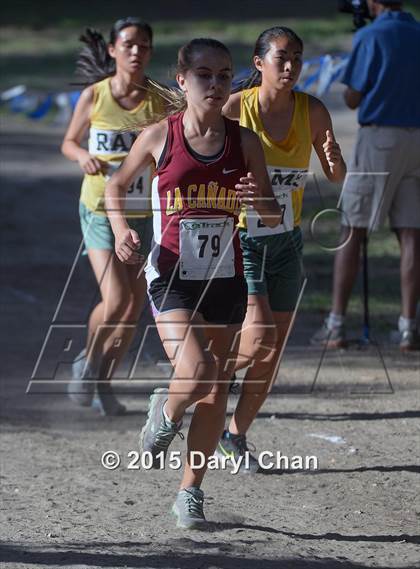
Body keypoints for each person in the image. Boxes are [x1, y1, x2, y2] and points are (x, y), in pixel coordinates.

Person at [105, 38, 282, 528]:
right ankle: (165, 411)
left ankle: (190, 492)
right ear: (183, 81)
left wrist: (255, 198)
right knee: (199, 369)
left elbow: (269, 211)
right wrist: (122, 230)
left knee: (215, 389)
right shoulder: (162, 136)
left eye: (224, 75)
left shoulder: (244, 141)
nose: (216, 83)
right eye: (205, 74)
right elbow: (117, 186)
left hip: (224, 277)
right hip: (171, 273)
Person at [218, 26, 346, 471]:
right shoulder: (236, 108)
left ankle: (234, 435)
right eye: (280, 58)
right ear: (259, 64)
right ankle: (198, 381)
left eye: (297, 57)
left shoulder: (312, 111)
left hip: (287, 242)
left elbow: (336, 176)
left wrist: (333, 159)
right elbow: (204, 163)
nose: (290, 66)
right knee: (259, 340)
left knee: (271, 353)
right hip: (242, 239)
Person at [61, 17, 165, 415]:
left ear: (150, 52)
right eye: (128, 45)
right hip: (100, 209)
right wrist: (83, 154)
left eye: (143, 46)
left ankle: (101, 382)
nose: (136, 52)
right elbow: (68, 142)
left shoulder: (159, 101)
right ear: (112, 50)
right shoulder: (95, 96)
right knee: (117, 298)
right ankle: (87, 365)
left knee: (133, 310)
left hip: (142, 214)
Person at [311, 0, 420, 351]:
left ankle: (336, 323)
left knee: (352, 228)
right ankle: (408, 325)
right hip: (417, 138)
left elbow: (354, 97)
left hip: (380, 138)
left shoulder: (371, 36)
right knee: (410, 230)